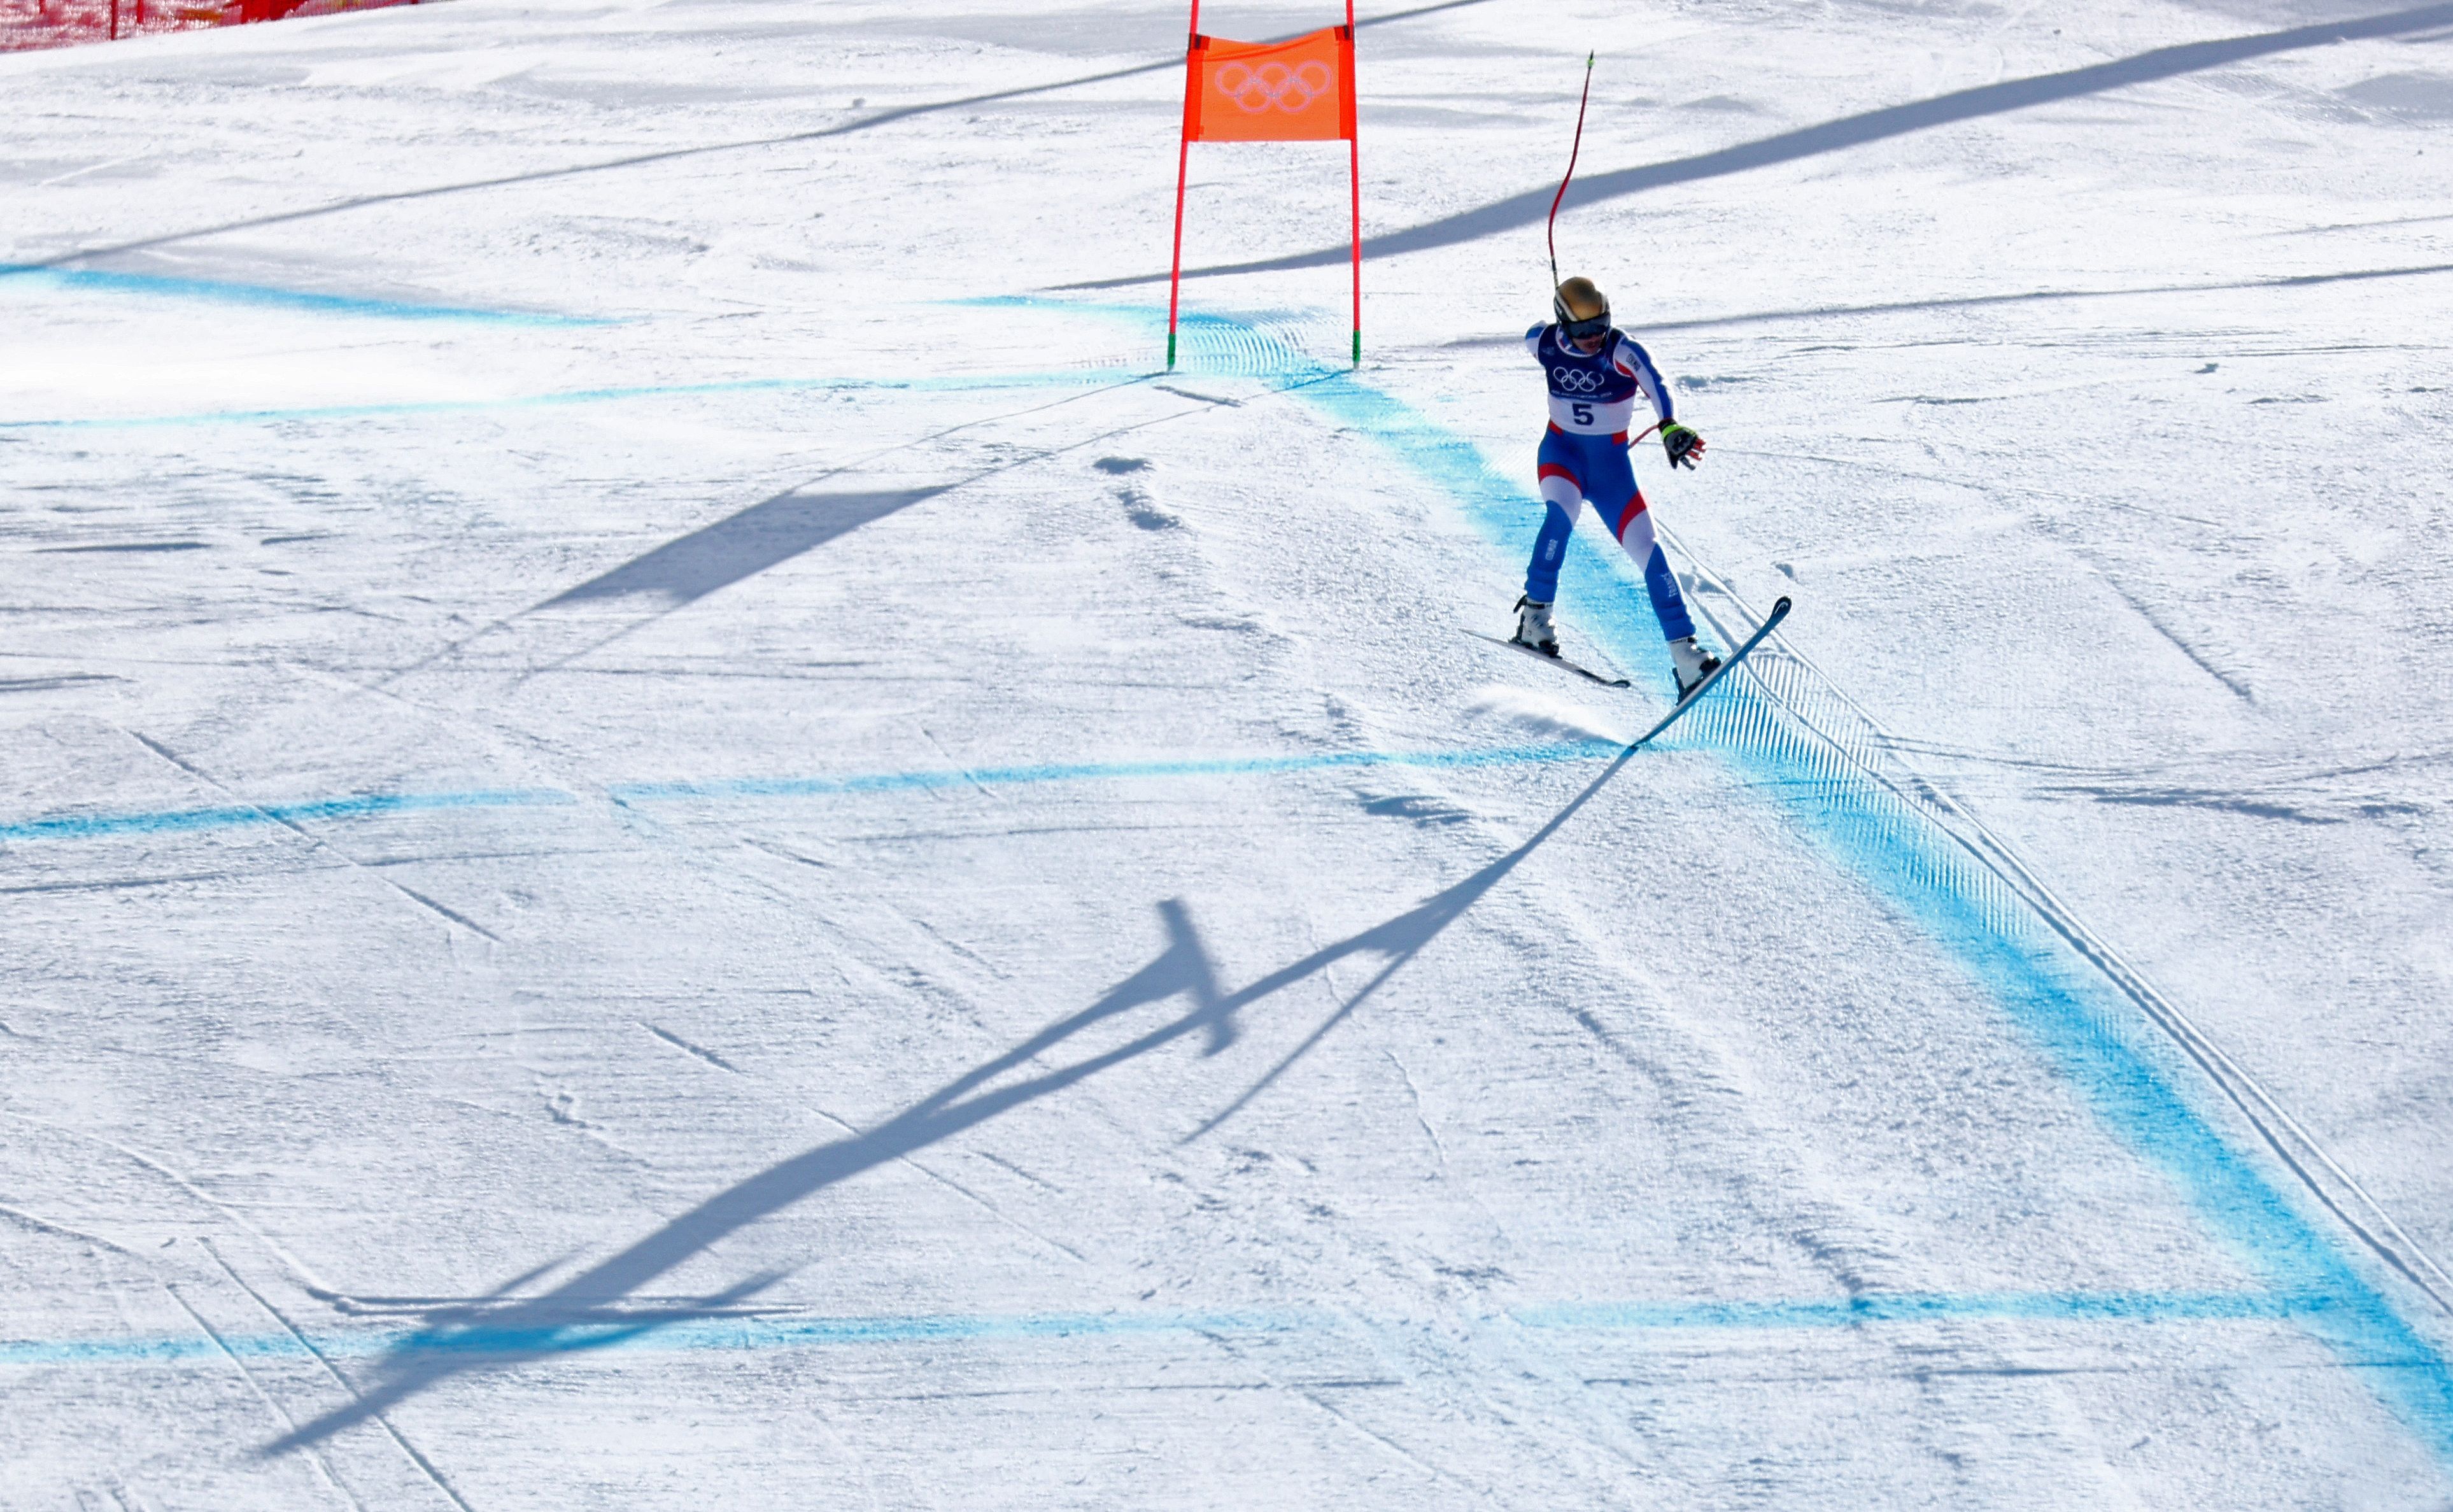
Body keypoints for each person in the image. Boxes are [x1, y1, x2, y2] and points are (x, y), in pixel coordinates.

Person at [1513, 276, 1720, 697]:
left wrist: (1668, 426)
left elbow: (1657, 384)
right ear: (1562, 324)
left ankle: (1685, 654)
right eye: (1581, 331)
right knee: (1559, 519)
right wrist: (1553, 331)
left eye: (1600, 327)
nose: (1593, 339)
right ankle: (1534, 617)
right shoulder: (1546, 343)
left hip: (1610, 472)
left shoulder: (1622, 350)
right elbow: (1532, 335)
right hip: (1562, 457)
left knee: (1649, 550)